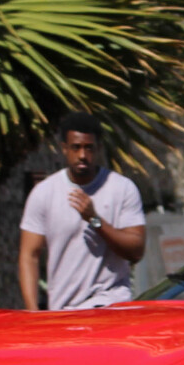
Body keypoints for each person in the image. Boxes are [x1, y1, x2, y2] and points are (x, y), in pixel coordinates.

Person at [17, 112, 146, 310]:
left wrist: (95, 220)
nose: (83, 156)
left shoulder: (122, 189)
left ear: (99, 148)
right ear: (64, 149)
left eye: (89, 148)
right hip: (64, 311)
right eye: (76, 148)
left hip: (111, 305)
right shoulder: (44, 193)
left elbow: (136, 251)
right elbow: (29, 255)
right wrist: (32, 312)